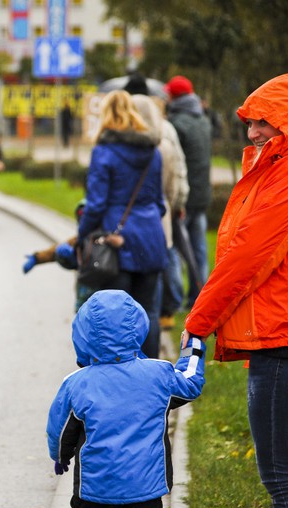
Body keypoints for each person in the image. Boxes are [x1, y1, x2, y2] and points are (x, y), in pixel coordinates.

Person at [181, 72, 288, 508]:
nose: (253, 131)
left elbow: (250, 254)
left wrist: (199, 321)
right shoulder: (286, 162)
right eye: (250, 123)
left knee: (283, 478)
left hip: (286, 338)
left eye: (263, 122)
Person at [47, 289, 206, 508]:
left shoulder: (76, 384)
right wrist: (191, 345)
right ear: (138, 326)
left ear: (82, 334)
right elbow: (190, 382)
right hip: (146, 487)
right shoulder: (159, 375)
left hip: (95, 490)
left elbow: (60, 430)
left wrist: (60, 456)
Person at [77, 90, 166, 358]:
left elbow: (95, 204)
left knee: (117, 314)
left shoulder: (104, 152)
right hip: (151, 237)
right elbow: (160, 202)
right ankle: (151, 374)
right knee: (149, 309)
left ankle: (122, 375)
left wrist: (83, 236)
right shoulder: (153, 152)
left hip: (117, 242)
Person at [130, 94, 189, 330]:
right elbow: (172, 185)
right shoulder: (164, 146)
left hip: (130, 226)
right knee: (164, 264)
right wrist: (173, 205)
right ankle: (170, 307)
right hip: (159, 217)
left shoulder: (123, 145)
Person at [165, 75, 212, 308]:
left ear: (173, 96)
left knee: (173, 247)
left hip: (184, 199)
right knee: (199, 249)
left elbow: (175, 165)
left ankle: (174, 299)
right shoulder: (203, 119)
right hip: (202, 196)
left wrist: (176, 200)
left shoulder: (176, 124)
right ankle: (199, 298)